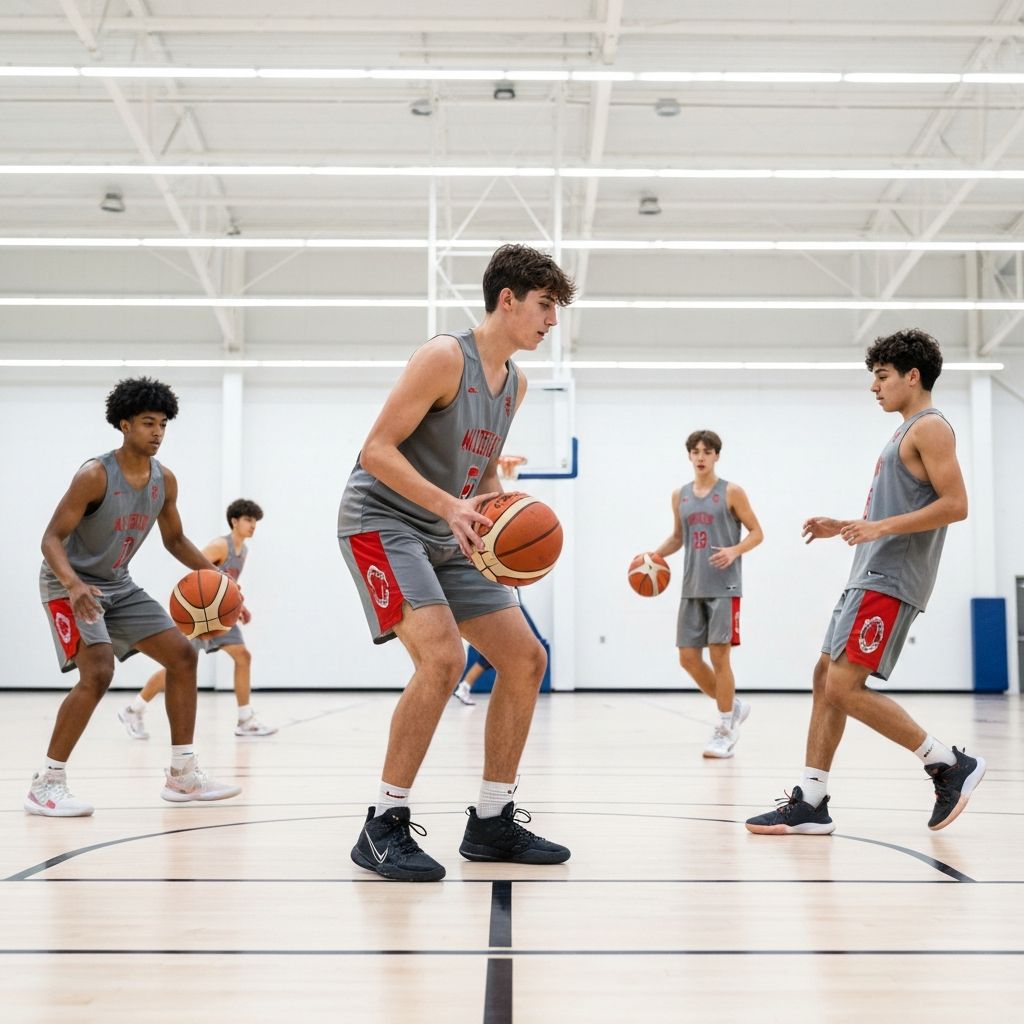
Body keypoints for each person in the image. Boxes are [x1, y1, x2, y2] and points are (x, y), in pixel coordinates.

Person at [338, 243, 575, 881]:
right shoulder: (444, 357)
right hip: (381, 522)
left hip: (454, 529)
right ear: (508, 299)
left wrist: (504, 515)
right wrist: (451, 507)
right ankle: (382, 825)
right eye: (546, 305)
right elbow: (376, 450)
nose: (552, 321)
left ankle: (493, 821)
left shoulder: (515, 383)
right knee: (441, 658)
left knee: (525, 659)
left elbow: (485, 470)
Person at [746, 329, 983, 836]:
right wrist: (848, 523)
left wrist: (878, 527)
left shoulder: (931, 427)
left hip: (891, 579)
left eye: (882, 376)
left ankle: (946, 762)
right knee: (824, 677)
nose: (874, 388)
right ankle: (810, 800)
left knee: (844, 686)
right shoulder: (903, 433)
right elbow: (904, 507)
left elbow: (956, 505)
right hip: (869, 573)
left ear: (912, 376)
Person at [27, 377, 241, 817]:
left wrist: (223, 585)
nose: (158, 432)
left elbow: (176, 539)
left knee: (183, 655)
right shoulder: (94, 475)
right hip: (69, 583)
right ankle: (47, 784)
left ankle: (182, 775)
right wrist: (73, 585)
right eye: (148, 423)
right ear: (124, 425)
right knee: (98, 673)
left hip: (117, 583)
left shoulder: (165, 481)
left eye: (163, 424)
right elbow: (51, 539)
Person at [119, 498, 277, 739]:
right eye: (248, 519)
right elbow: (198, 574)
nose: (253, 525)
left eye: (255, 520)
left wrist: (238, 606)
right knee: (177, 666)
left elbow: (227, 586)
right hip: (202, 614)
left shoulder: (242, 550)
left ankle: (245, 719)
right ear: (234, 521)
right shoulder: (219, 546)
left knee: (243, 656)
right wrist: (208, 602)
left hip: (221, 616)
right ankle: (134, 709)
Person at [652, 430, 764, 758]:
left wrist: (734, 550)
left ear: (717, 456)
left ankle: (726, 727)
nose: (701, 456)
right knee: (688, 658)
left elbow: (758, 533)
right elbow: (677, 537)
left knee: (719, 656)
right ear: (688, 455)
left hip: (724, 586)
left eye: (708, 451)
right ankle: (733, 704)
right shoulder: (680, 495)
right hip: (692, 585)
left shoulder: (732, 492)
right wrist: (653, 558)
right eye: (696, 451)